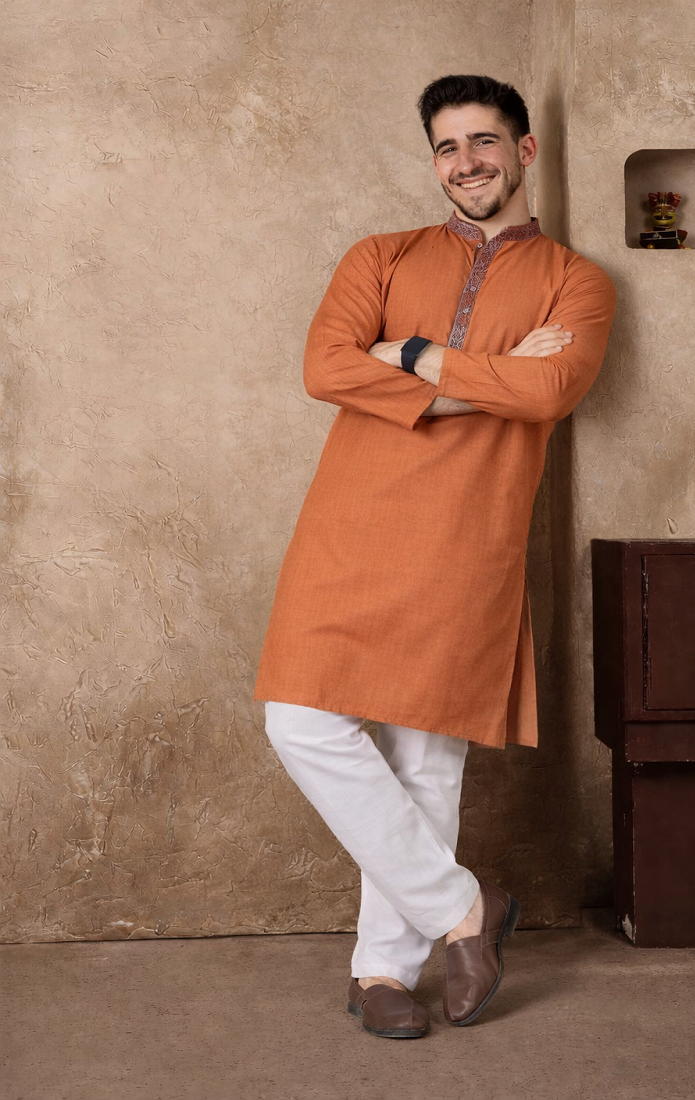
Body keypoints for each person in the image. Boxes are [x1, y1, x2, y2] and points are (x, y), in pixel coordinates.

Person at [253, 74, 616, 1038]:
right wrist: (489, 376)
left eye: (484, 141)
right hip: (350, 524)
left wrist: (408, 356)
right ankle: (464, 907)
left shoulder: (577, 283)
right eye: (448, 147)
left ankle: (381, 972)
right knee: (300, 720)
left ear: (524, 150)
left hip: (470, 536)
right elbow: (325, 366)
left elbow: (549, 392)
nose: (466, 163)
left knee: (426, 762)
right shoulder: (379, 255)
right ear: (434, 162)